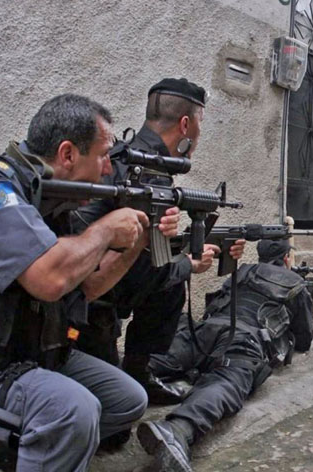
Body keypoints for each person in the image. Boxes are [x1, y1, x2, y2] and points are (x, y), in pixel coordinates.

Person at [0, 94, 175, 472]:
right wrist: (106, 229)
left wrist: (138, 239)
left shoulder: (51, 202)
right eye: (103, 156)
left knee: (127, 401)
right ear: (67, 153)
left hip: (28, 356)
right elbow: (49, 278)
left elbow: (90, 284)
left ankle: (32, 459)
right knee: (73, 409)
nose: (108, 168)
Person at [71, 77, 245, 404]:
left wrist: (211, 245)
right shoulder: (145, 171)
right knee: (115, 430)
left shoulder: (130, 157)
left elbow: (149, 248)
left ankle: (139, 370)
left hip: (93, 281)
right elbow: (146, 264)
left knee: (170, 279)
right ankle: (134, 374)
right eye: (199, 124)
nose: (199, 134)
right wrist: (188, 264)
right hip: (88, 300)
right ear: (185, 123)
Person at [136, 239, 313, 472]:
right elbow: (304, 339)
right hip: (242, 340)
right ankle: (178, 430)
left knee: (156, 361)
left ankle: (107, 385)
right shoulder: (293, 283)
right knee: (226, 382)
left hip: (204, 330)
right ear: (287, 257)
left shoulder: (240, 272)